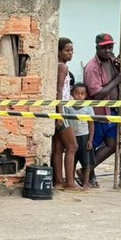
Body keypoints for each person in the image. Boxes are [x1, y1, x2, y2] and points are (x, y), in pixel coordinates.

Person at [82, 33, 121, 188]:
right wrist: (117, 80)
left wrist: (118, 69)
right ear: (97, 47)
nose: (108, 50)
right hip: (98, 113)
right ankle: (86, 172)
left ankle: (87, 171)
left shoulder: (112, 61)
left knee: (113, 143)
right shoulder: (92, 67)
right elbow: (97, 94)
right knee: (91, 145)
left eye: (110, 46)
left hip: (111, 111)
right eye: (104, 47)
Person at [51, 38, 79, 190]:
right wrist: (60, 113)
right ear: (59, 51)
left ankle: (58, 181)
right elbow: (60, 90)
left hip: (61, 108)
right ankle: (69, 183)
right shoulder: (62, 67)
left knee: (58, 146)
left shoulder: (59, 66)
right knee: (72, 146)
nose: (70, 53)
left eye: (72, 50)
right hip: (63, 109)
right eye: (67, 50)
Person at [63, 83, 96, 190]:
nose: (79, 96)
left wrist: (90, 140)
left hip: (84, 137)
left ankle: (85, 182)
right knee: (73, 160)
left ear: (86, 95)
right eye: (77, 93)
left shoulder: (88, 108)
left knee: (86, 162)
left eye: (82, 94)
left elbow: (91, 125)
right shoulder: (68, 107)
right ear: (72, 94)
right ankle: (70, 181)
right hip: (72, 137)